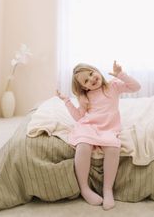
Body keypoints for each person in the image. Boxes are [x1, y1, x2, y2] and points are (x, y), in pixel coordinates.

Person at [56, 60, 141, 210]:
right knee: (83, 145)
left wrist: (121, 74)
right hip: (89, 126)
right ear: (83, 87)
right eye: (86, 81)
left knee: (113, 147)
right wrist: (67, 101)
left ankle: (107, 189)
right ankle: (84, 188)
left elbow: (136, 87)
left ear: (96, 70)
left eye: (91, 74)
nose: (92, 79)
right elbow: (78, 117)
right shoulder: (85, 97)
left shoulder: (113, 86)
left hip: (108, 128)